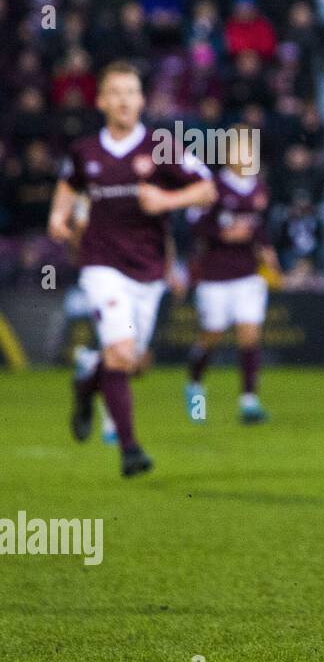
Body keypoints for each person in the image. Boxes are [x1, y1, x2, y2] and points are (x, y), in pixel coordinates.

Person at [47, 62, 217, 476]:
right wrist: (58, 216)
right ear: (101, 100)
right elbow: (69, 183)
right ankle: (130, 451)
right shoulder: (85, 150)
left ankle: (87, 385)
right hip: (101, 265)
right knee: (122, 354)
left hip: (149, 270)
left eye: (132, 91)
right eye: (116, 92)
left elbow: (207, 188)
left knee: (132, 363)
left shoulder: (161, 145)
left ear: (142, 100)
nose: (124, 100)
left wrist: (167, 201)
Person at [185, 128, 278, 424]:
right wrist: (222, 234)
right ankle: (195, 384)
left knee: (249, 334)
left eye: (250, 151)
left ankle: (249, 401)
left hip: (247, 274)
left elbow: (259, 226)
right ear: (227, 154)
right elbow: (194, 225)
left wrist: (266, 249)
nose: (246, 156)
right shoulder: (212, 187)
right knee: (211, 335)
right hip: (215, 275)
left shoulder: (259, 188)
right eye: (240, 150)